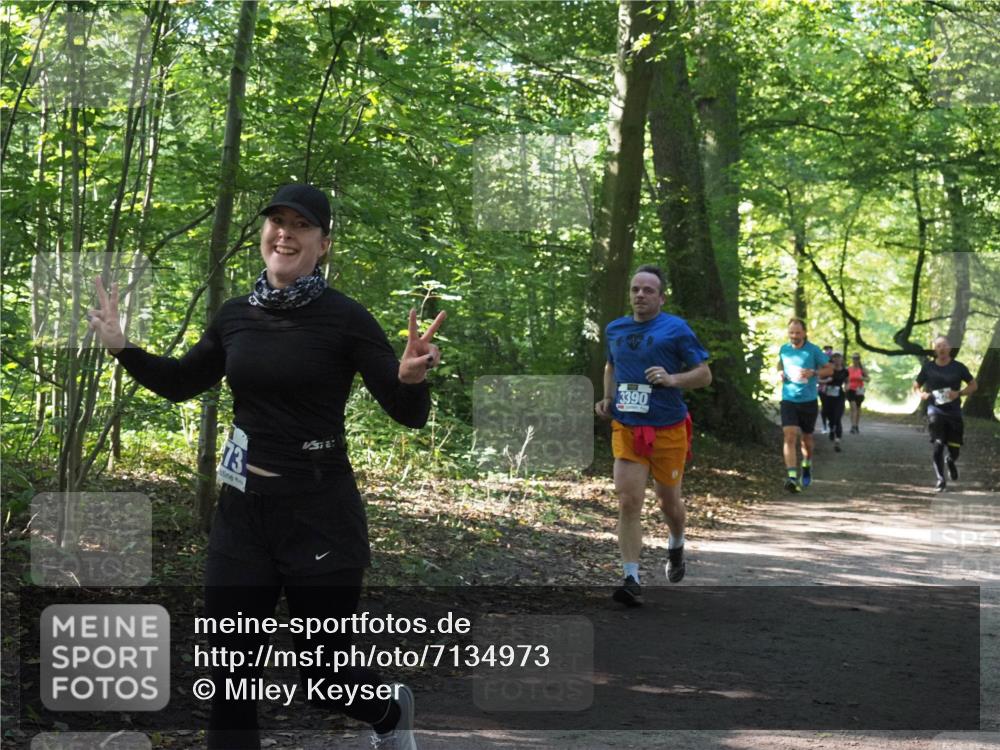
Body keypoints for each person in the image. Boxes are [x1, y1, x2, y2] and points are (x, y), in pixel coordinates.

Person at [88, 183, 445, 750]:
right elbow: (183, 382)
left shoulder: (345, 318)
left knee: (323, 677)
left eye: (300, 225)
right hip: (243, 516)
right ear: (263, 235)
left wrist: (412, 379)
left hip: (319, 513)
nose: (285, 233)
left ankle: (386, 712)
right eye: (276, 221)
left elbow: (407, 415)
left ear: (323, 244)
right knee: (230, 673)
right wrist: (123, 348)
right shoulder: (236, 316)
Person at [595, 265, 712, 606]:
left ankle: (676, 543)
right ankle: (631, 577)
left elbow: (704, 375)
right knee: (628, 500)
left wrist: (672, 379)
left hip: (668, 429)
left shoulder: (676, 329)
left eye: (648, 290)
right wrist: (607, 397)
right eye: (635, 289)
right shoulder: (615, 329)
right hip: (628, 426)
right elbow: (611, 366)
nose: (640, 295)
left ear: (661, 297)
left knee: (668, 502)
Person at [912, 335, 978, 492]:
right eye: (938, 346)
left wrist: (959, 393)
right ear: (935, 350)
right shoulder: (928, 367)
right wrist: (922, 395)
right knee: (938, 444)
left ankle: (950, 461)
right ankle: (941, 479)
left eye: (944, 345)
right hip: (935, 410)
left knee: (954, 449)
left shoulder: (959, 367)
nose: (941, 348)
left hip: (954, 411)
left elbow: (974, 385)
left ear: (949, 348)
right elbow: (916, 385)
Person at [777, 318, 832, 493]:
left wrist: (814, 372)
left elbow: (829, 369)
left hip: (808, 400)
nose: (794, 336)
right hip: (788, 399)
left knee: (806, 440)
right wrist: (779, 372)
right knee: (789, 435)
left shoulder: (813, 350)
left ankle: (806, 464)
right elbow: (780, 363)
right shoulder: (784, 349)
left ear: (805, 333)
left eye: (797, 333)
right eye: (791, 332)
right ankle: (792, 477)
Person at [818, 352, 848, 452]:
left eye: (839, 358)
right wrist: (826, 381)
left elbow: (847, 382)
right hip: (828, 395)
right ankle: (831, 429)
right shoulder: (828, 370)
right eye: (835, 358)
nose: (837, 360)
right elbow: (818, 380)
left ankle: (837, 441)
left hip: (839, 395)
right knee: (830, 416)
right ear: (832, 359)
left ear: (842, 360)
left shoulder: (845, 371)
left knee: (837, 417)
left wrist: (847, 390)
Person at [846, 353, 869, 434]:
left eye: (857, 358)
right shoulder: (849, 369)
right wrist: (846, 386)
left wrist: (862, 378)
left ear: (859, 359)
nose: (855, 360)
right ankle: (853, 426)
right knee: (853, 407)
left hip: (859, 390)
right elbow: (845, 379)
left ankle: (856, 425)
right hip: (850, 390)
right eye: (854, 358)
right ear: (852, 359)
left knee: (858, 408)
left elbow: (868, 379)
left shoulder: (862, 369)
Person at [818, 345, 834, 433]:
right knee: (825, 407)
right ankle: (824, 425)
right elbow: (817, 378)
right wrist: (825, 381)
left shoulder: (835, 365)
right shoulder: (820, 365)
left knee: (831, 407)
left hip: (833, 390)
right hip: (822, 390)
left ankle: (830, 424)